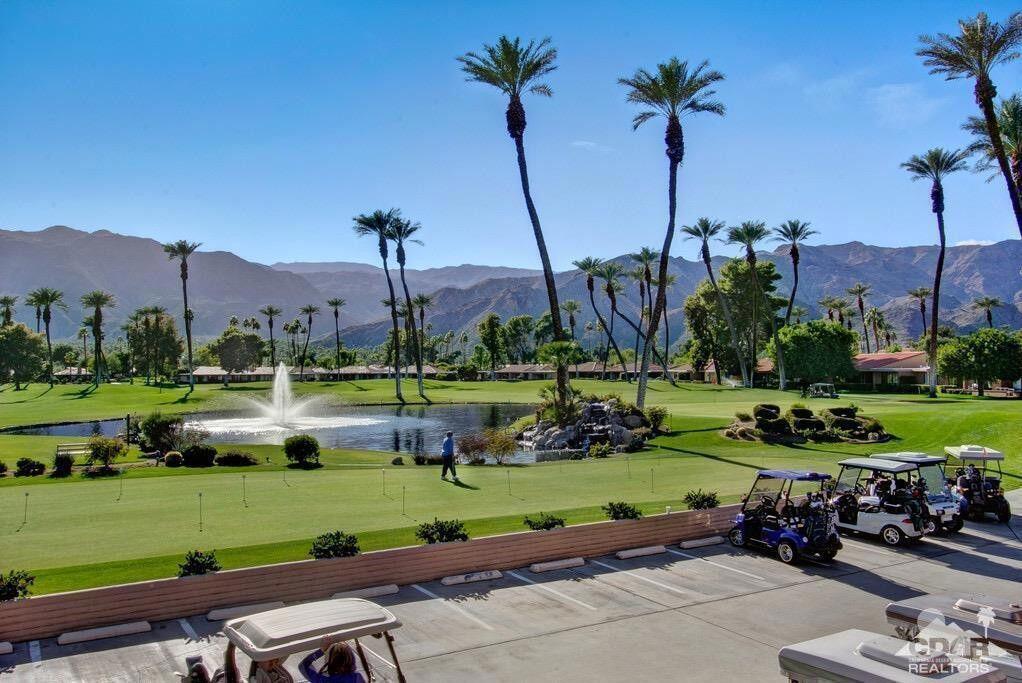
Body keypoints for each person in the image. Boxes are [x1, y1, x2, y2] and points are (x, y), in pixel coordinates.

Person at [298, 640, 366, 683]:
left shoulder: (324, 679)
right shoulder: (356, 678)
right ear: (351, 659)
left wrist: (321, 651)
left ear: (331, 661)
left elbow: (303, 666)